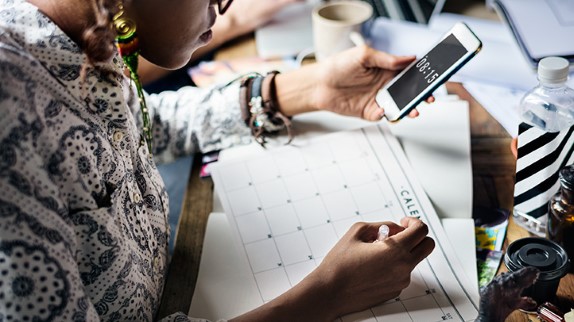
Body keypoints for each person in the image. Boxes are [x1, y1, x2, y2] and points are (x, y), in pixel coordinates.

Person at [0, 0, 435, 321]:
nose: (225, 7)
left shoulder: (83, 32)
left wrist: (303, 89)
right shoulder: (9, 116)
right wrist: (328, 294)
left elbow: (132, 130)